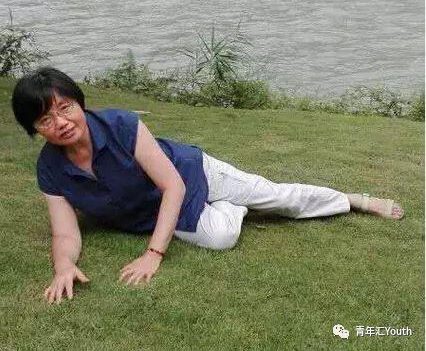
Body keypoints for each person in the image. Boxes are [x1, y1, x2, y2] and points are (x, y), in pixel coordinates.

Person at [11, 67, 404, 305]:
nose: (60, 122)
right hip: (156, 213)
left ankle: (352, 200)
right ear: (35, 129)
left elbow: (173, 186)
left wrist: (153, 254)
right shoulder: (50, 169)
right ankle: (236, 206)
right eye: (45, 119)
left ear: (79, 103)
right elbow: (65, 232)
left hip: (190, 173)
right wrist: (64, 265)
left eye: (65, 107)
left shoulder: (121, 125)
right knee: (221, 238)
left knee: (277, 196)